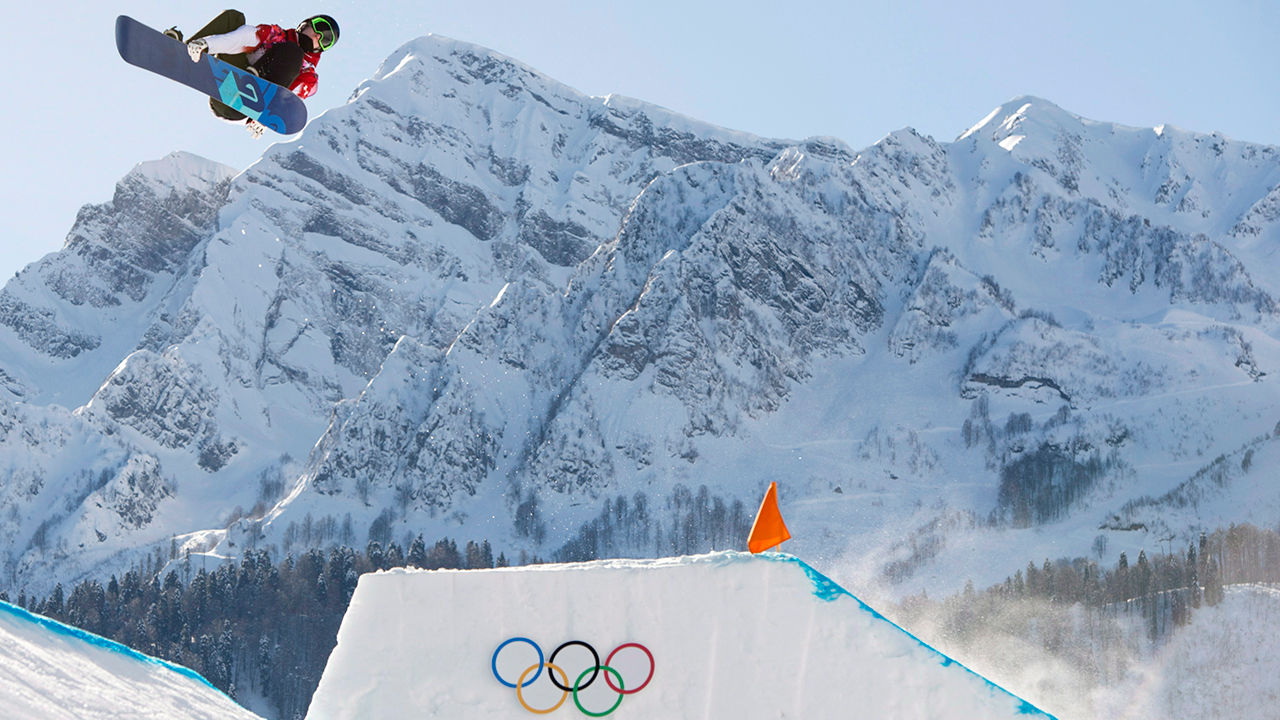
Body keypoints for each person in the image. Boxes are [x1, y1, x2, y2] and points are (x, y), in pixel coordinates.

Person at [163, 12, 339, 138]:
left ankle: (255, 87)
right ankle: (185, 54)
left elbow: (292, 96)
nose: (318, 36)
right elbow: (244, 38)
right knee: (234, 18)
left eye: (325, 40)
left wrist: (267, 116)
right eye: (320, 28)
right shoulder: (274, 35)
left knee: (294, 52)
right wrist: (207, 44)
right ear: (305, 24)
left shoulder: (307, 75)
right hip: (231, 82)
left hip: (242, 106)